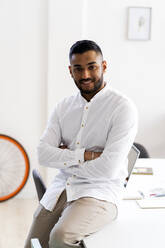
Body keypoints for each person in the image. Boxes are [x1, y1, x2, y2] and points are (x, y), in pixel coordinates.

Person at [24, 40, 138, 248]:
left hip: (100, 193)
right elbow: (43, 154)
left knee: (61, 237)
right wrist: (86, 155)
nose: (85, 75)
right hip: (62, 188)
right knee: (33, 244)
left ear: (103, 66)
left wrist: (65, 158)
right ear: (70, 71)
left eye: (91, 67)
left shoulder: (122, 108)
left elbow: (108, 168)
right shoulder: (63, 107)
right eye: (78, 69)